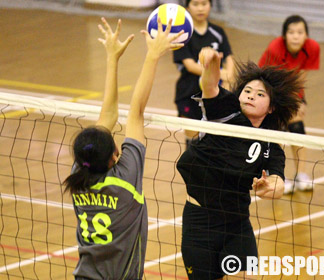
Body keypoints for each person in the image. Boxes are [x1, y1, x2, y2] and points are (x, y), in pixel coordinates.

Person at [63, 17, 183, 280]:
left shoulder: (79, 175)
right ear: (114, 156)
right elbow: (135, 112)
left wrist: (113, 58)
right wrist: (152, 55)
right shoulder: (125, 179)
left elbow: (112, 116)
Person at [176, 47, 303, 279]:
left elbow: (278, 181)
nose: (251, 96)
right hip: (200, 221)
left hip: (237, 224)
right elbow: (210, 86)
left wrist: (271, 188)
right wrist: (212, 64)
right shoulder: (225, 111)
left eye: (260, 94)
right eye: (247, 91)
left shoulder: (271, 143)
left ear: (272, 107)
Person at [258, 15, 320, 194]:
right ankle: (276, 177)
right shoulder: (275, 48)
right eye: (291, 32)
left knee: (297, 125)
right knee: (277, 131)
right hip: (268, 89)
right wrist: (284, 107)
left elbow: (300, 77)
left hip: (290, 91)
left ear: (306, 35)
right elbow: (269, 81)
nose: (295, 36)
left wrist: (299, 101)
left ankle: (301, 175)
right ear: (284, 36)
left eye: (300, 32)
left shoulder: (312, 48)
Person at [173, 0, 235, 148]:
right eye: (195, 4)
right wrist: (219, 73)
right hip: (188, 94)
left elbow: (229, 58)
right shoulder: (183, 34)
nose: (200, 8)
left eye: (204, 3)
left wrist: (229, 77)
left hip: (214, 97)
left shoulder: (218, 32)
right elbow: (190, 66)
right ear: (187, 7)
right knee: (193, 143)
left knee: (214, 143)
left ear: (210, 5)